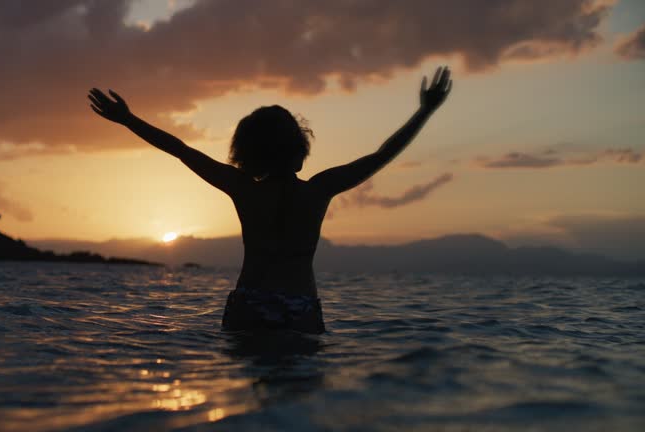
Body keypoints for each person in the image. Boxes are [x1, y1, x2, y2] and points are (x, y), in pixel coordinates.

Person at [88, 66, 452, 334]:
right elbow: (382, 154)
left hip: (250, 304)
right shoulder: (318, 189)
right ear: (299, 150)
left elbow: (180, 149)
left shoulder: (244, 188)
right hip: (300, 308)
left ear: (247, 154)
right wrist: (425, 111)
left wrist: (128, 120)